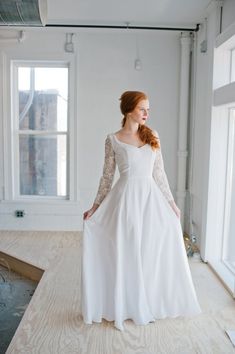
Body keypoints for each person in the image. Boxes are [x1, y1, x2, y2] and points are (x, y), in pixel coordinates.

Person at [82, 91, 202, 331]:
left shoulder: (152, 135)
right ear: (128, 110)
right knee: (128, 250)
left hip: (150, 199)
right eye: (142, 109)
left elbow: (159, 174)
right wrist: (95, 207)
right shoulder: (113, 139)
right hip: (125, 200)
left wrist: (171, 204)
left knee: (149, 249)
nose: (147, 113)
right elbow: (107, 177)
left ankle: (149, 300)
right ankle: (127, 303)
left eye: (148, 109)